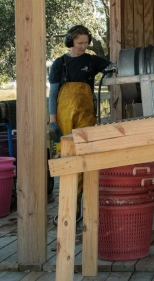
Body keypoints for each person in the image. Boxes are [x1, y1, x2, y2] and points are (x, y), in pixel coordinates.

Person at [48, 25, 115, 221]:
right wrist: (52, 122)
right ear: (71, 42)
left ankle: (86, 210)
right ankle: (69, 211)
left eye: (86, 43)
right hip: (63, 117)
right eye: (79, 43)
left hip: (86, 116)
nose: (83, 47)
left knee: (86, 159)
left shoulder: (93, 61)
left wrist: (112, 70)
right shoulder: (59, 64)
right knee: (67, 161)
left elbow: (112, 66)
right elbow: (53, 94)